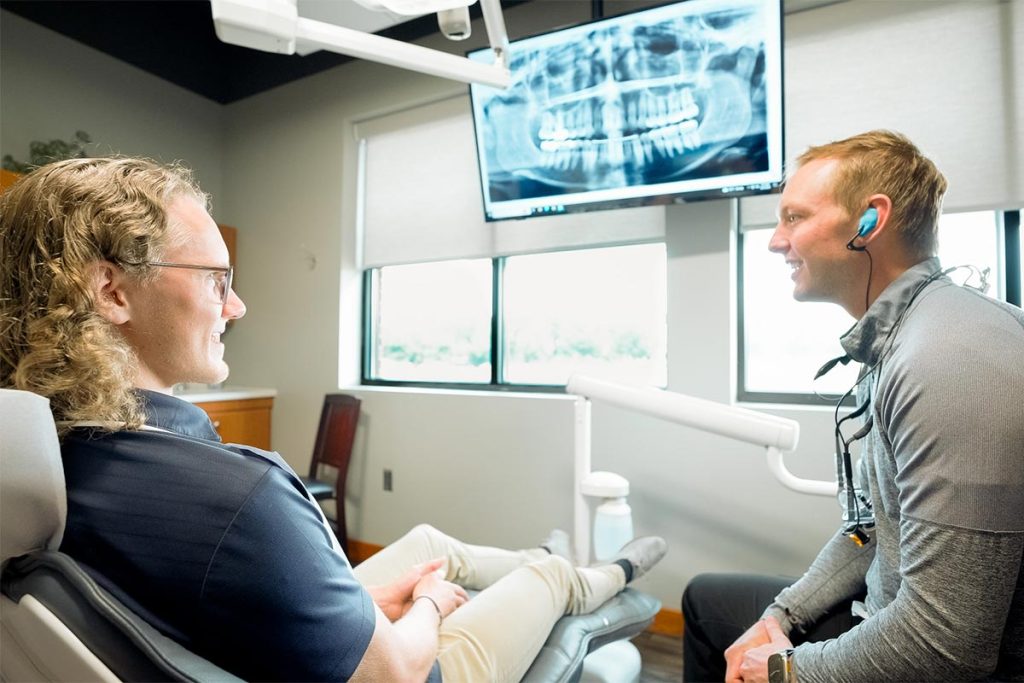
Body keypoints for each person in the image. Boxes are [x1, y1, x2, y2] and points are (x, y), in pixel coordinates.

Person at [0, 157, 667, 683]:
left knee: (435, 542)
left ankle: (549, 563)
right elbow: (400, 671)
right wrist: (432, 604)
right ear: (113, 290)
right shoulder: (242, 497)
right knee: (536, 581)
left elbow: (215, 599)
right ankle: (592, 574)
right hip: (409, 671)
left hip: (243, 635)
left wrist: (362, 607)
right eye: (216, 280)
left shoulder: (43, 460)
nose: (237, 307)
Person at [681, 130, 1024, 682]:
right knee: (709, 601)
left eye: (794, 217)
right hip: (886, 611)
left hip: (938, 659)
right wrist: (782, 617)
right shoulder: (900, 341)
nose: (774, 241)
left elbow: (947, 644)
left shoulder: (950, 358)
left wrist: (785, 670)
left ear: (870, 221)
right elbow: (869, 530)